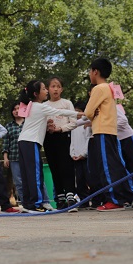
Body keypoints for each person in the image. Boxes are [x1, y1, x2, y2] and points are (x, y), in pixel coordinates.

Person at [85, 58, 133, 211]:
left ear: (95, 72)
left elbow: (88, 112)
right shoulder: (109, 88)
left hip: (101, 130)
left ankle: (114, 199)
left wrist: (92, 113)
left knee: (107, 167)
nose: (90, 74)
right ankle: (131, 196)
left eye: (90, 71)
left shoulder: (98, 88)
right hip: (111, 131)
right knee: (117, 165)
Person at [17, 81, 81, 213]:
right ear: (36, 94)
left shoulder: (31, 106)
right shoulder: (40, 106)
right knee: (35, 174)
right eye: (44, 89)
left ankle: (29, 203)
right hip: (31, 142)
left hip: (23, 142)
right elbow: (60, 112)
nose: (47, 91)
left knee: (28, 174)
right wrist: (83, 114)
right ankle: (36, 204)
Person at [43, 76, 78, 210]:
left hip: (64, 137)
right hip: (49, 138)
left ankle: (71, 197)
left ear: (62, 89)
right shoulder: (44, 106)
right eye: (53, 86)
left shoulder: (67, 103)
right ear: (47, 89)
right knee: (54, 167)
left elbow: (73, 122)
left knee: (67, 166)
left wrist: (60, 128)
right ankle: (60, 198)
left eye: (58, 86)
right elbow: (40, 124)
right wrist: (48, 126)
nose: (55, 89)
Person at [2, 102, 25, 205]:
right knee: (18, 182)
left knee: (31, 180)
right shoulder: (9, 126)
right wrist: (5, 158)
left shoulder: (28, 123)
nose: (16, 111)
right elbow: (6, 143)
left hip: (28, 156)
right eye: (14, 109)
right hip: (14, 158)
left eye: (18, 108)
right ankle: (25, 203)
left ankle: (37, 202)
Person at [70, 102, 92, 209]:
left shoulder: (87, 124)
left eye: (79, 111)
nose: (77, 114)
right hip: (76, 157)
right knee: (79, 180)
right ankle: (84, 201)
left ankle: (97, 199)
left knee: (90, 178)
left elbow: (88, 139)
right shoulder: (73, 125)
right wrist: (72, 153)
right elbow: (72, 142)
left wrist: (84, 153)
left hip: (85, 157)